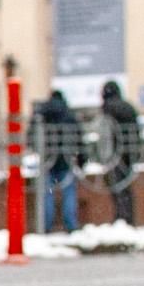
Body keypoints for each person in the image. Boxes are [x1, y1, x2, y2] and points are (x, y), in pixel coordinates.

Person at [34, 87, 83, 234]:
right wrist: (82, 159)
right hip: (66, 158)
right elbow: (78, 138)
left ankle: (46, 224)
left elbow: (32, 136)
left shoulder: (42, 113)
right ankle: (71, 224)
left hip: (47, 157)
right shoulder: (68, 114)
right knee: (69, 192)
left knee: (46, 193)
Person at [101, 80, 141, 226]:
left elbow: (106, 132)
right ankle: (128, 217)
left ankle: (121, 217)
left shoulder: (108, 108)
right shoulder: (128, 107)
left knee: (117, 186)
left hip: (116, 152)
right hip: (130, 151)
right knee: (125, 186)